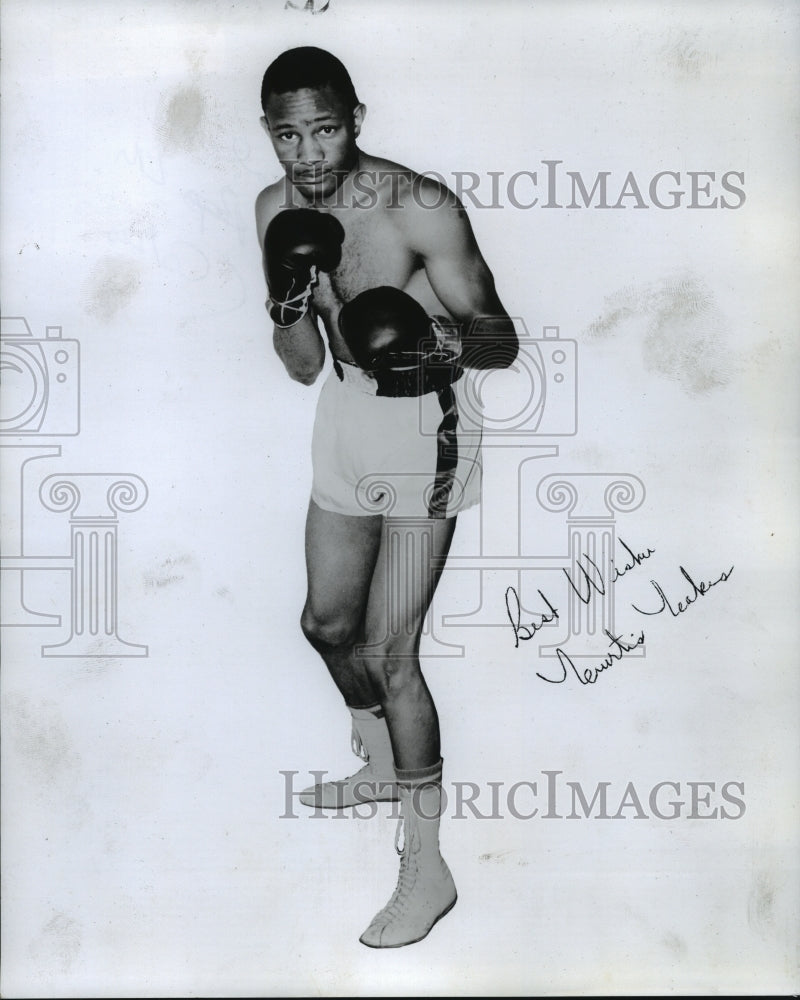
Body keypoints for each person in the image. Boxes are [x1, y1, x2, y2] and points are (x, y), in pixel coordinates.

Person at [255, 46, 518, 949]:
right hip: (345, 419)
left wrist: (436, 350)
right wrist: (289, 300)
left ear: (355, 119)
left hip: (424, 428)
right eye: (289, 135)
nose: (308, 153)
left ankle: (428, 865)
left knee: (388, 649)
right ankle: (379, 764)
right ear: (270, 137)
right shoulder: (273, 210)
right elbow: (301, 368)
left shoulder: (420, 206)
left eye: (324, 129)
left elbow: (501, 337)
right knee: (326, 628)